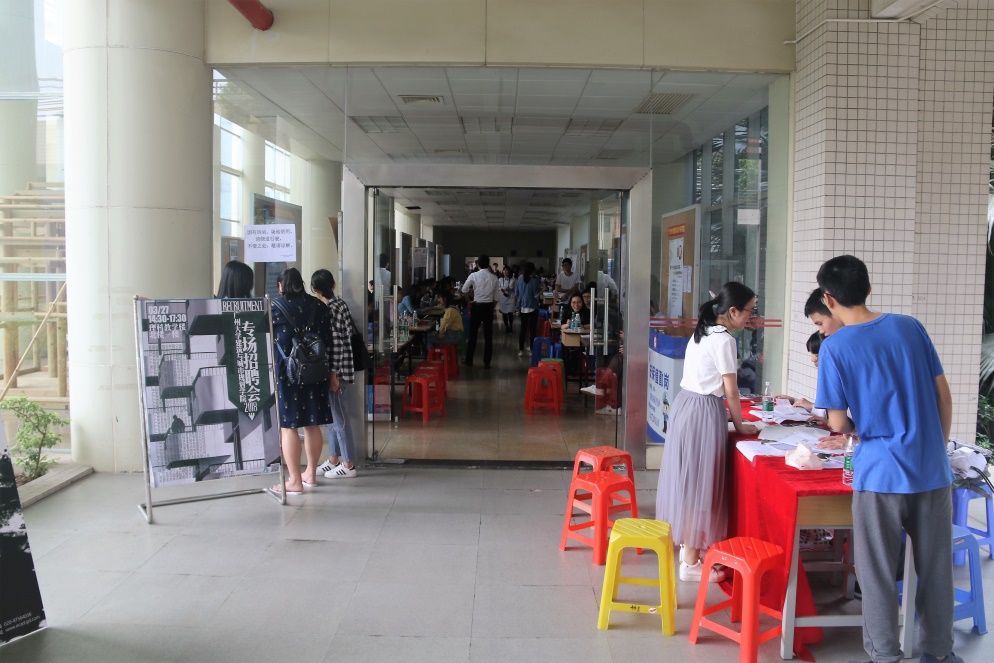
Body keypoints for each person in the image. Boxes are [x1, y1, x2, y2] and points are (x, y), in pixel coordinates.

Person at [813, 255, 959, 663]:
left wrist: (861, 425)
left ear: (828, 298)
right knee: (936, 570)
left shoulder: (834, 348)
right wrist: (935, 446)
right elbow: (944, 396)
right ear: (869, 288)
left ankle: (885, 655)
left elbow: (838, 422)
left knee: (876, 573)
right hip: (931, 470)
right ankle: (939, 653)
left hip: (879, 475)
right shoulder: (910, 327)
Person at [655, 282, 759, 582]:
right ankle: (690, 563)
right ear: (733, 311)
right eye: (749, 311)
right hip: (703, 412)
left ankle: (689, 553)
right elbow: (732, 391)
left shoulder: (704, 331)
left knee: (689, 482)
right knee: (700, 486)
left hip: (687, 405)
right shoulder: (725, 340)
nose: (751, 317)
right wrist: (740, 425)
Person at [269, 268, 335, 495]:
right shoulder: (319, 306)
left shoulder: (275, 308)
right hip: (316, 371)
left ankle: (295, 481)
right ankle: (311, 475)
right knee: (312, 424)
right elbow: (329, 340)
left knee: (289, 427)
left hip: (287, 374)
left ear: (281, 286)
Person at [310, 269, 358, 480]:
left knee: (339, 418)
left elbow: (336, 344)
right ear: (333, 285)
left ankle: (348, 463)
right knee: (333, 416)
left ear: (315, 290)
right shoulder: (341, 304)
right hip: (343, 368)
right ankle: (333, 459)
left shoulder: (329, 309)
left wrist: (333, 374)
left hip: (337, 371)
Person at [461, 254, 500, 368]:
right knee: (488, 335)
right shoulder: (494, 278)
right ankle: (487, 362)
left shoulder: (474, 275)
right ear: (488, 264)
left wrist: (469, 301)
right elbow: (497, 297)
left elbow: (464, 290)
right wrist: (491, 306)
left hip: (477, 306)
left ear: (478, 264)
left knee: (473, 334)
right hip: (488, 307)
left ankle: (469, 360)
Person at [515, 262, 541, 358]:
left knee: (523, 329)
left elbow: (516, 294)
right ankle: (531, 350)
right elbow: (535, 295)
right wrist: (542, 290)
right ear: (532, 271)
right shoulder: (534, 280)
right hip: (533, 307)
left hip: (522, 307)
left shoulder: (520, 279)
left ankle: (521, 350)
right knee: (532, 330)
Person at [498, 266, 516, 334]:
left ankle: (511, 327)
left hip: (511, 298)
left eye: (506, 270)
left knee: (510, 313)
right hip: (503, 298)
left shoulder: (513, 280)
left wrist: (511, 288)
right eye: (504, 270)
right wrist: (502, 289)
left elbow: (516, 289)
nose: (505, 272)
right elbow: (498, 288)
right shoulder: (500, 279)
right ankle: (507, 327)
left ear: (509, 271)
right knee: (504, 313)